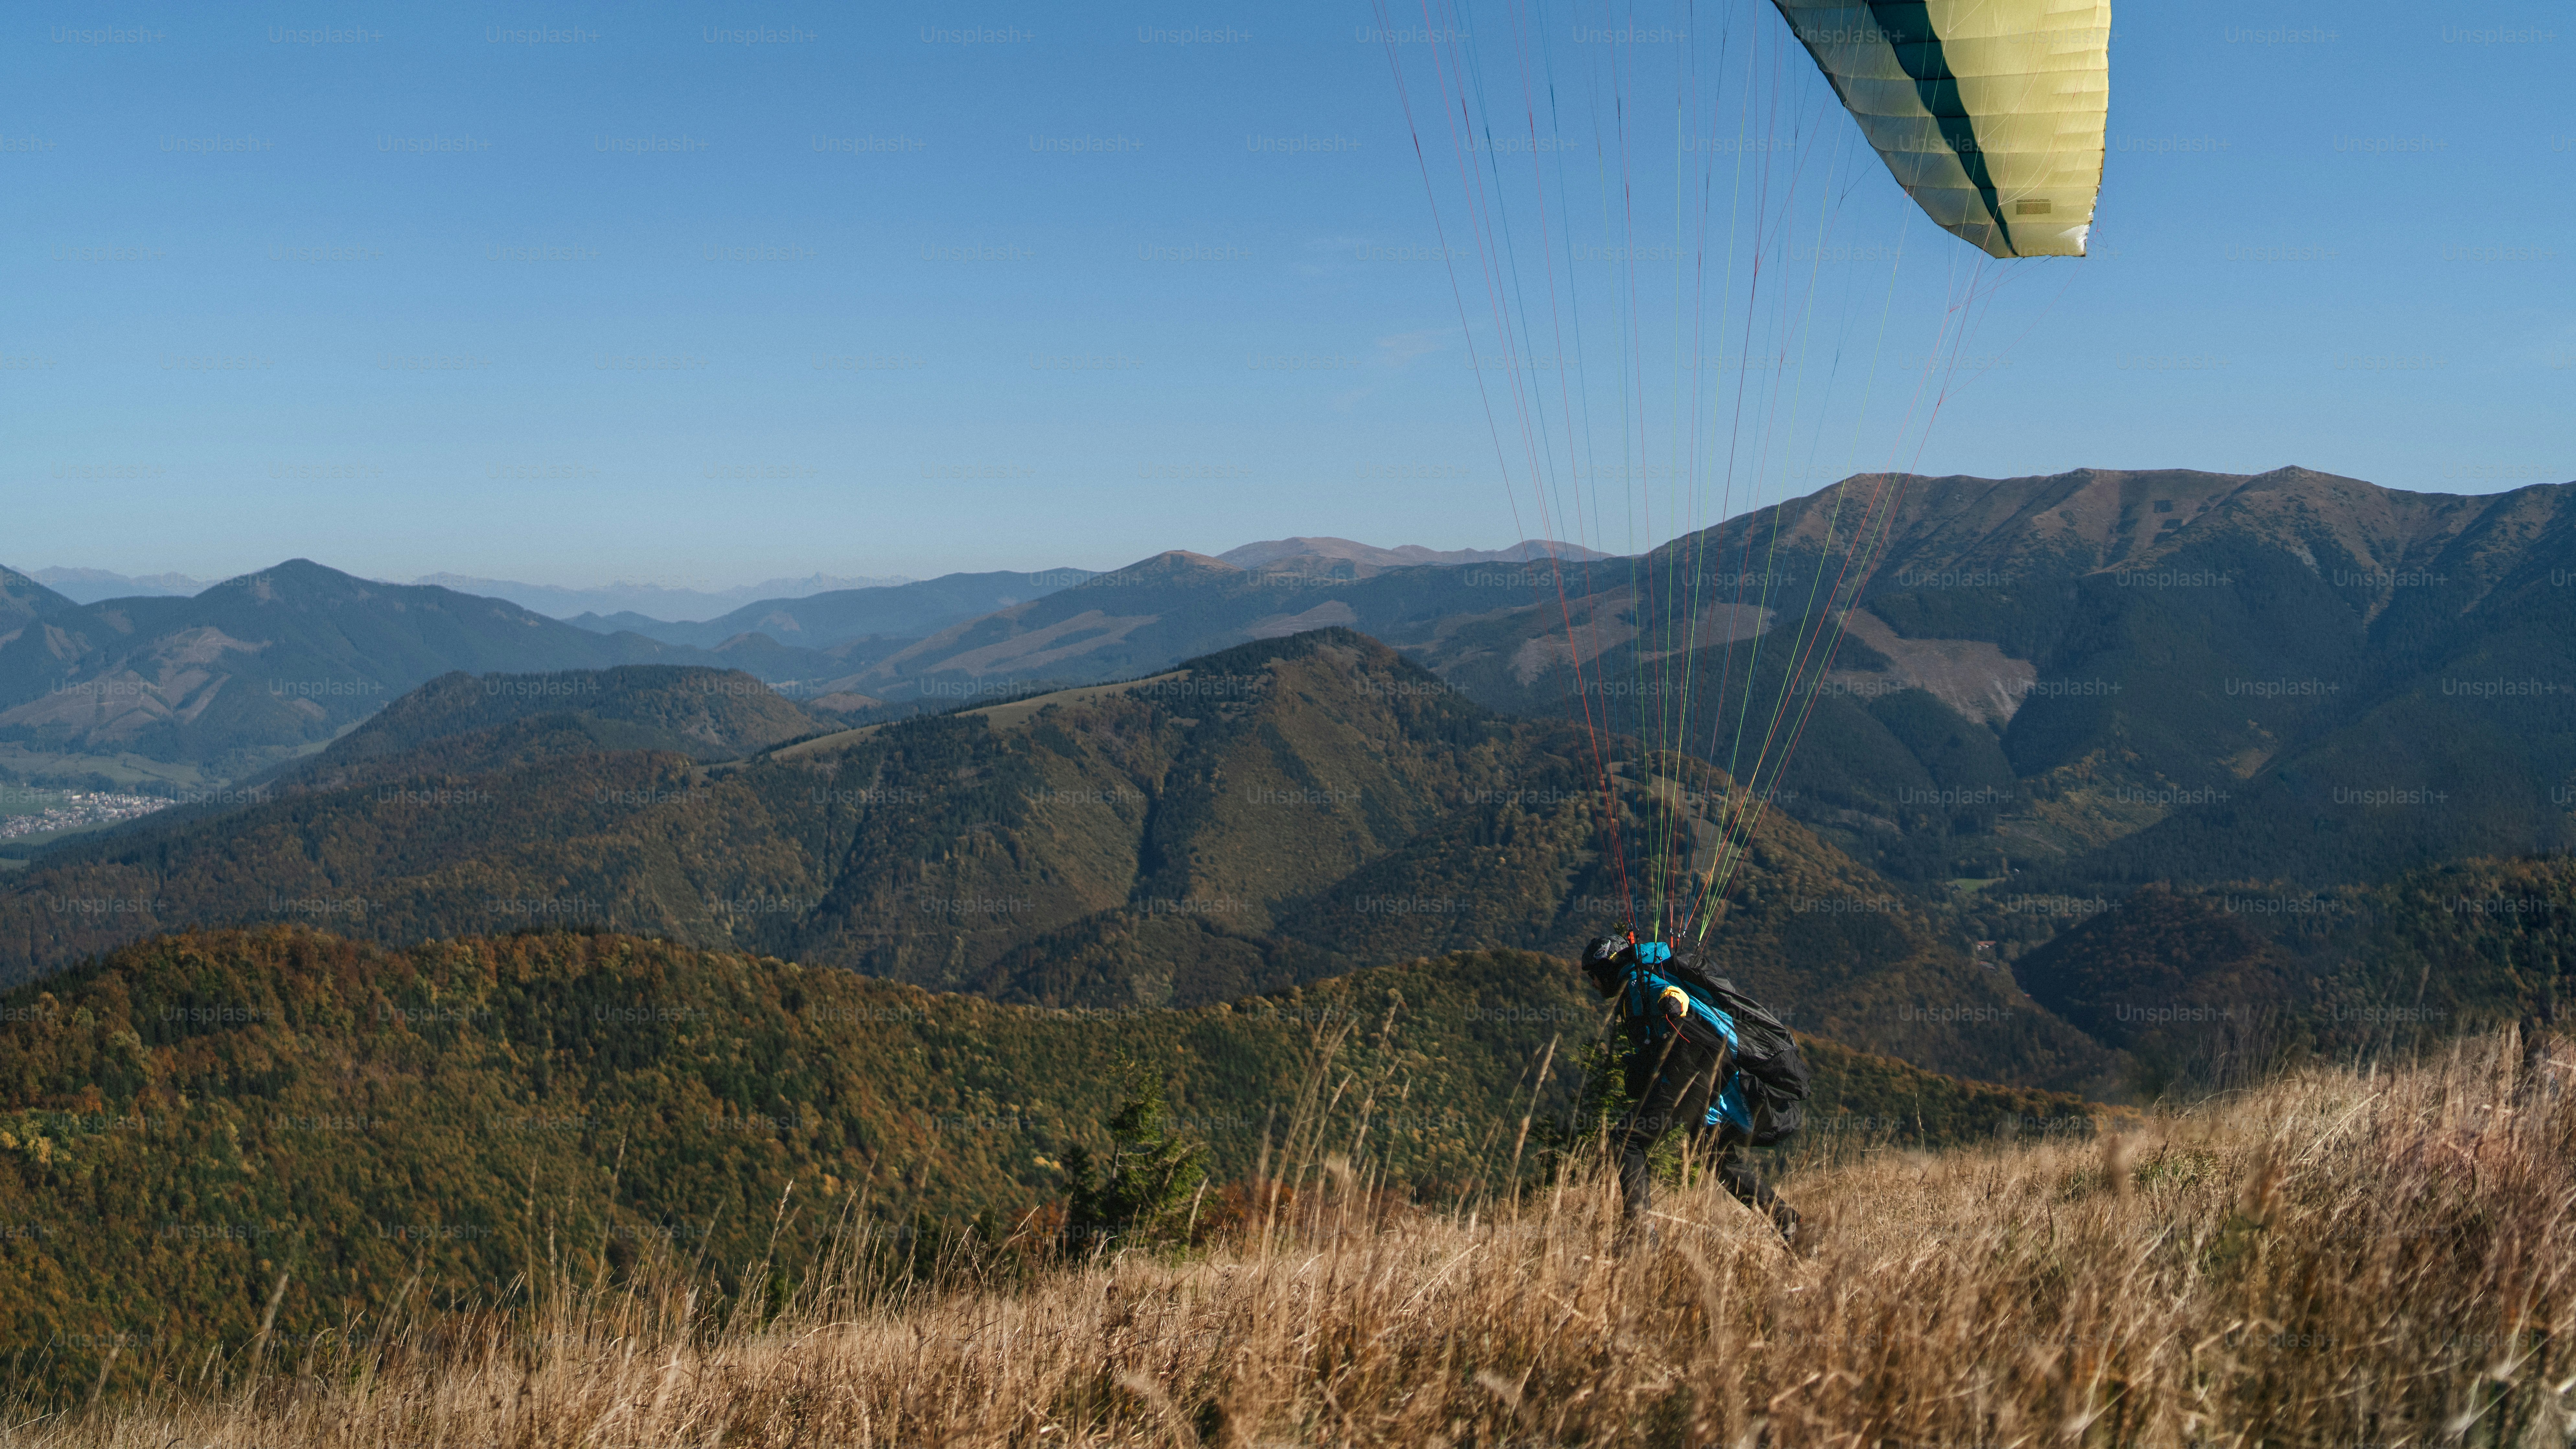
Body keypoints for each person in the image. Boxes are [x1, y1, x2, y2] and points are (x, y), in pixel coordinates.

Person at [1581, 934, 1801, 1247]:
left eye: (1593, 975)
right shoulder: (1644, 979)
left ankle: (1640, 1233)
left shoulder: (1638, 983)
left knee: (1628, 1140)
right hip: (1702, 1069)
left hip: (1687, 1069)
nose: (1592, 983)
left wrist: (1673, 1003)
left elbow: (1673, 996)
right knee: (1715, 1155)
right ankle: (1791, 1225)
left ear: (1607, 968)